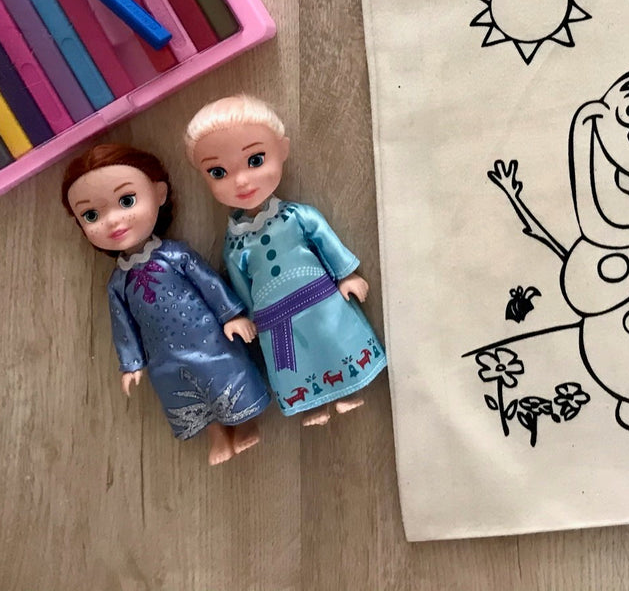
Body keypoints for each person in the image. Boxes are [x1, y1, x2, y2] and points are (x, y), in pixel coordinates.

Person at [184, 95, 387, 426]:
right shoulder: (235, 244)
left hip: (320, 301)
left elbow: (325, 240)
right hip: (276, 320)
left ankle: (348, 390)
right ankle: (312, 404)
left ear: (283, 149)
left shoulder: (297, 216)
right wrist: (246, 316)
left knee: (332, 339)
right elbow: (240, 283)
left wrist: (346, 274)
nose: (242, 181)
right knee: (297, 362)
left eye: (255, 160)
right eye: (218, 172)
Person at [61, 143, 270, 464]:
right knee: (182, 393)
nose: (113, 221)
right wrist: (131, 364)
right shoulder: (118, 283)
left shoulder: (175, 255)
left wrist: (231, 315)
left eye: (126, 201)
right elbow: (122, 326)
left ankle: (243, 423)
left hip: (210, 340)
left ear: (159, 193)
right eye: (91, 215)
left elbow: (209, 283)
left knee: (224, 375)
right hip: (164, 357)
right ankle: (215, 434)